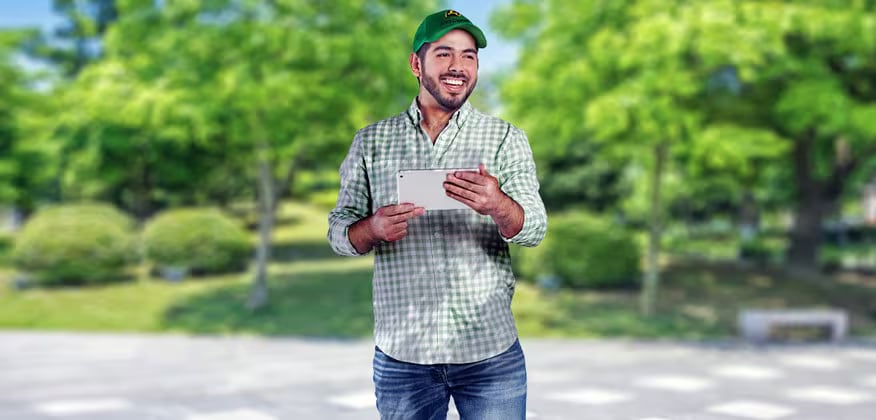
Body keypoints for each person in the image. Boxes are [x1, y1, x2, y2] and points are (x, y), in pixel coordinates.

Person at [327, 9, 547, 420]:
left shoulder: (505, 139)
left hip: (489, 355)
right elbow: (340, 231)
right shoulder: (371, 142)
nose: (458, 67)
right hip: (403, 358)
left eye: (469, 56)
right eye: (444, 54)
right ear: (416, 63)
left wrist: (498, 204)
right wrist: (372, 228)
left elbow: (534, 228)